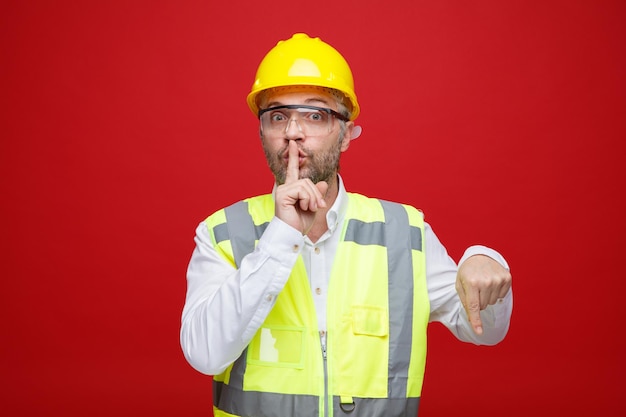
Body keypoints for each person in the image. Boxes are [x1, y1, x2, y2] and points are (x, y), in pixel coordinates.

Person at [180, 33, 513, 417]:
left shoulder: (406, 233)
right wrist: (282, 235)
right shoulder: (221, 233)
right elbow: (203, 354)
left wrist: (484, 261)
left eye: (315, 115)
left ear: (346, 135)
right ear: (262, 134)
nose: (293, 132)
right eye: (277, 116)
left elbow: (484, 330)